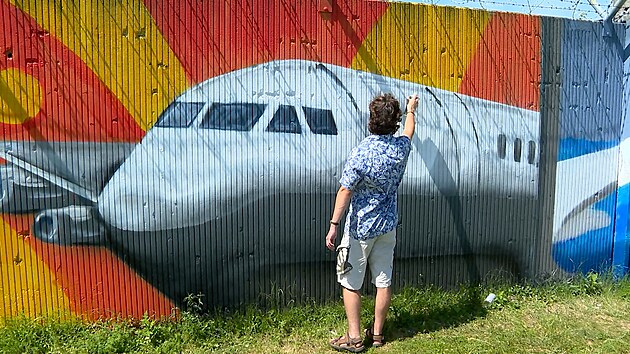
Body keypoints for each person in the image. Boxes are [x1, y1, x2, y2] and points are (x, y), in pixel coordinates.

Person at [326, 92, 419, 352]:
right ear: (395, 121)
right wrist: (412, 110)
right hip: (387, 227)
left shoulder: (362, 152)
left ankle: (355, 338)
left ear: (371, 120)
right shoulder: (401, 148)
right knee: (383, 280)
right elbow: (409, 131)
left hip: (360, 230)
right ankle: (377, 334)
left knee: (350, 281)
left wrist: (334, 224)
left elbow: (345, 190)